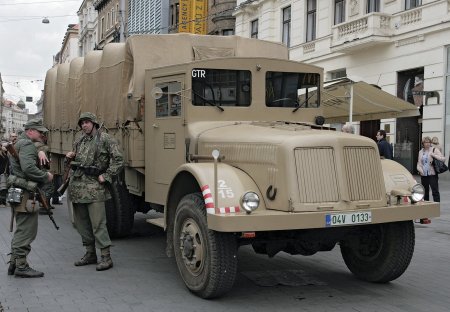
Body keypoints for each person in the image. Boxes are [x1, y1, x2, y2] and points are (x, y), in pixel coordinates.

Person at [66, 112, 123, 271]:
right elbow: (75, 162)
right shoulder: (80, 140)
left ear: (94, 123)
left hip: (94, 188)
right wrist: (69, 157)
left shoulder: (105, 138)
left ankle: (106, 257)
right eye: (82, 123)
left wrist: (107, 175)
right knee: (82, 224)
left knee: (98, 224)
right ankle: (90, 254)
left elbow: (118, 159)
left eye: (87, 122)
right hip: (78, 188)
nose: (84, 125)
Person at [7, 119, 53, 278]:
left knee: (21, 229)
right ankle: (21, 266)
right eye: (40, 132)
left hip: (19, 192)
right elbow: (28, 168)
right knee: (27, 231)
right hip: (26, 193)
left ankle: (14, 262)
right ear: (30, 131)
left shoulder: (20, 143)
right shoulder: (26, 145)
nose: (42, 134)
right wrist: (45, 176)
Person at [417, 136, 445, 202]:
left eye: (429, 142)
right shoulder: (420, 152)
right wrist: (420, 170)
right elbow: (419, 163)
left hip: (432, 174)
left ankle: (436, 206)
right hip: (424, 175)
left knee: (435, 192)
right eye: (425, 142)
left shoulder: (434, 150)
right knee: (425, 192)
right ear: (423, 143)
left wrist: (434, 155)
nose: (427, 143)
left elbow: (443, 159)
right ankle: (427, 207)